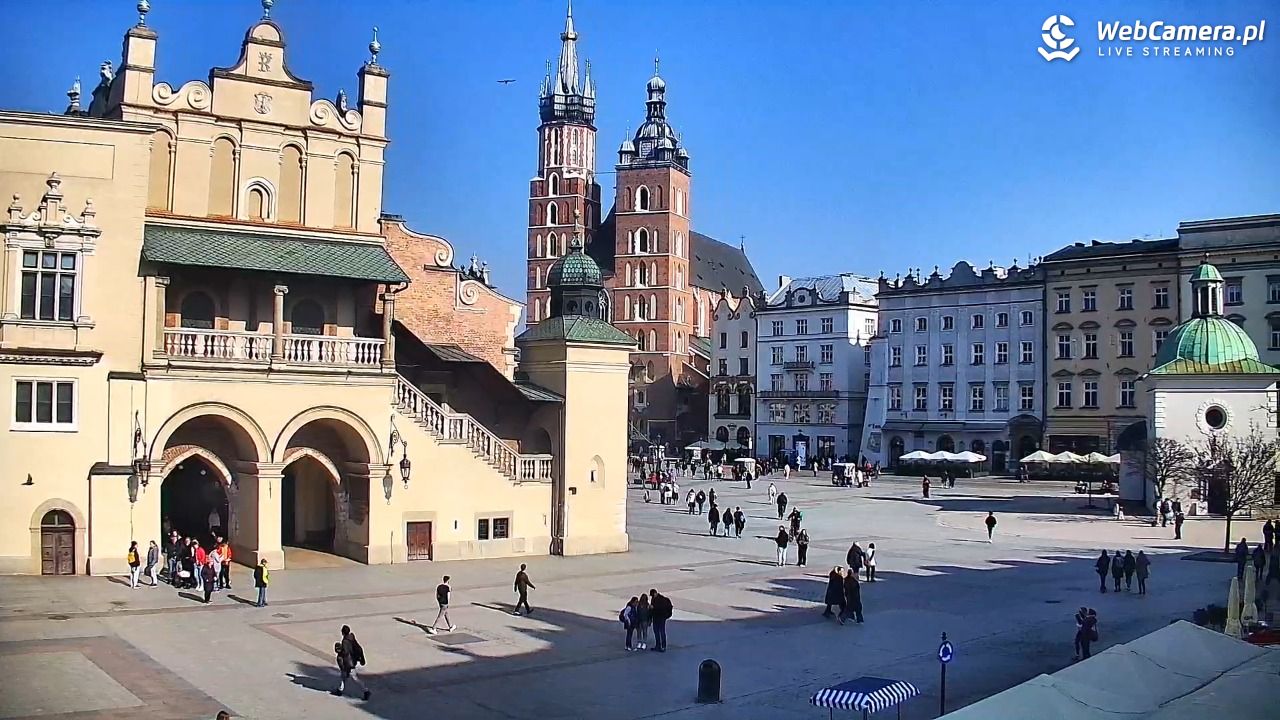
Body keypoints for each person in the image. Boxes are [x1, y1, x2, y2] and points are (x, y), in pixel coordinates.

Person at [331, 625, 370, 700]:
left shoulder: (345, 641)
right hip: (352, 660)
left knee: (354, 678)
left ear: (343, 632)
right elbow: (359, 648)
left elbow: (345, 653)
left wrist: (341, 655)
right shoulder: (351, 638)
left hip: (349, 663)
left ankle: (366, 691)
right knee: (344, 677)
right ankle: (340, 690)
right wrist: (362, 658)